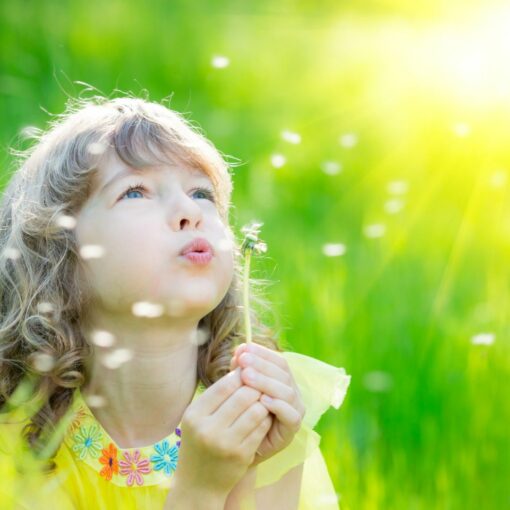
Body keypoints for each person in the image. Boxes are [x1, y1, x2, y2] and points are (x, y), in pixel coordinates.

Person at [0, 94, 351, 509]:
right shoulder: (18, 450)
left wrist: (243, 471)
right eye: (135, 192)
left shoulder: (265, 415)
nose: (189, 210)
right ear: (59, 253)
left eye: (202, 193)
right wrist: (200, 490)